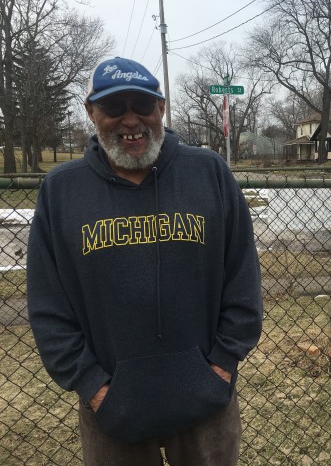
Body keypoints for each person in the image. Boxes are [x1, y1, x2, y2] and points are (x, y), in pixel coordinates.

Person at [27, 57, 263, 466]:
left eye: (142, 105)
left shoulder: (208, 172)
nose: (130, 120)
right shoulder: (62, 191)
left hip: (207, 402)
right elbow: (48, 305)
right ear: (91, 113)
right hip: (112, 409)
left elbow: (242, 279)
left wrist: (221, 367)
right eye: (114, 108)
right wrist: (94, 387)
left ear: (162, 108)